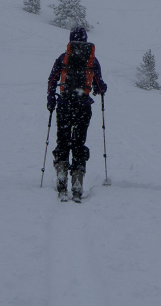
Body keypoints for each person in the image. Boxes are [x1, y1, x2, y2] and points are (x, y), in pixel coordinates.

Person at [47, 27, 107, 200]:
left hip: (64, 105)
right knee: (79, 142)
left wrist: (51, 99)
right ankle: (78, 179)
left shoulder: (63, 57)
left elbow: (52, 79)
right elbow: (98, 85)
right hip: (83, 107)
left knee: (63, 139)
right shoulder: (92, 60)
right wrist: (102, 88)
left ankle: (61, 172)